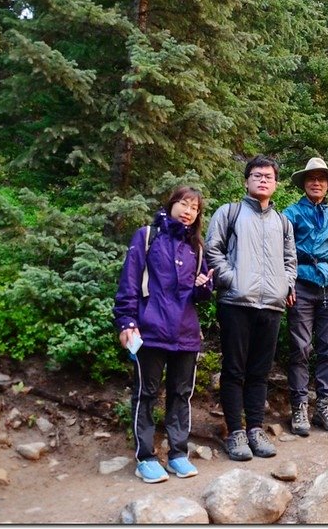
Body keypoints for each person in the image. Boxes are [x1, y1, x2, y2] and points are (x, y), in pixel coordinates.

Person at [113, 186, 213, 483]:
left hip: (185, 332)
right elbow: (129, 281)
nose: (188, 211)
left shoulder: (196, 247)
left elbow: (201, 293)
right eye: (184, 203)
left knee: (181, 394)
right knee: (146, 393)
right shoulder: (146, 236)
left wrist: (204, 285)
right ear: (171, 204)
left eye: (194, 208)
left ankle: (178, 454)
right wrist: (126, 321)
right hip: (150, 329)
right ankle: (145, 457)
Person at [205, 155, 298, 461]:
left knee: (260, 372)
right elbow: (213, 250)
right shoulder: (229, 213)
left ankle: (256, 429)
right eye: (257, 175)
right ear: (246, 180)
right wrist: (231, 279)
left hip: (271, 306)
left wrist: (285, 285)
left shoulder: (282, 221)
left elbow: (290, 260)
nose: (262, 180)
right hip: (236, 302)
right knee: (234, 370)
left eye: (268, 177)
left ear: (275, 183)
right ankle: (235, 432)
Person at [284, 157, 328, 435]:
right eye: (311, 178)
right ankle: (299, 405)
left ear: (327, 186)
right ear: (304, 183)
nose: (316, 183)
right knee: (300, 348)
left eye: (321, 179)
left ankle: (324, 403)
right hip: (301, 284)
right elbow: (282, 252)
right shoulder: (290, 214)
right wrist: (287, 285)